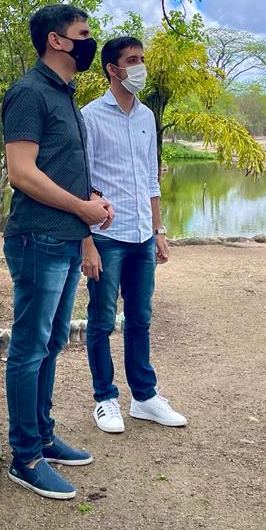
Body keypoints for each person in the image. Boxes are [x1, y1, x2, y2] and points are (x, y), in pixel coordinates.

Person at [1, 4, 115, 501]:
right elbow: (22, 172)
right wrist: (80, 208)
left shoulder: (64, 94)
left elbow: (64, 169)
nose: (91, 41)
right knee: (29, 348)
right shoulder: (29, 92)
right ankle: (25, 456)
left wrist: (91, 205)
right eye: (83, 33)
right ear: (56, 40)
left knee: (50, 343)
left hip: (66, 238)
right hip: (37, 238)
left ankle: (44, 437)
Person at [80, 36, 188, 434]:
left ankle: (144, 396)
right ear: (113, 69)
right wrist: (86, 242)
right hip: (106, 236)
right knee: (101, 320)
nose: (140, 66)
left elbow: (150, 178)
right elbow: (80, 183)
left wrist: (159, 230)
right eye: (132, 60)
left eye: (142, 59)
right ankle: (105, 399)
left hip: (142, 235)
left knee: (140, 318)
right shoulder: (89, 117)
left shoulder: (146, 116)